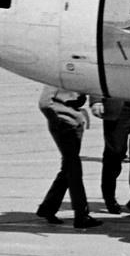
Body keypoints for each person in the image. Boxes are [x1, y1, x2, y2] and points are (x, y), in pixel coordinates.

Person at [37, 86, 101, 229]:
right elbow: (44, 103)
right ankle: (81, 215)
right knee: (74, 170)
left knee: (68, 169)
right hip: (65, 126)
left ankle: (48, 207)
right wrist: (57, 121)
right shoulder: (55, 78)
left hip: (73, 124)